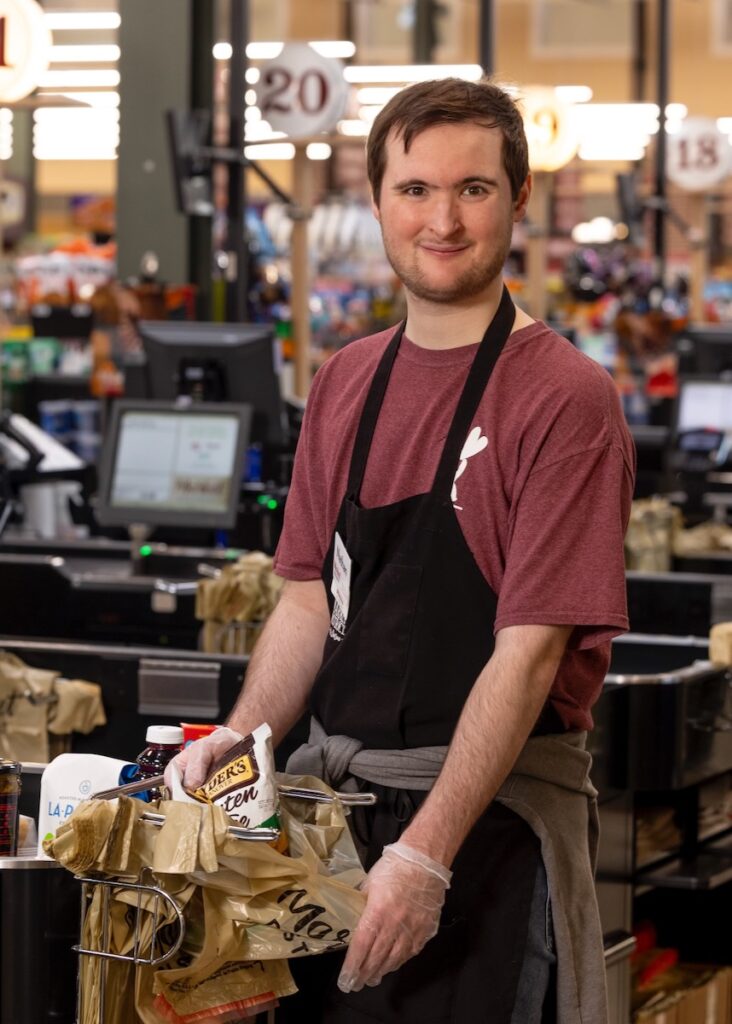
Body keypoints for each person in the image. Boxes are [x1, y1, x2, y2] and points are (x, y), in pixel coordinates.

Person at [169, 77, 635, 1023]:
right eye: (415, 189)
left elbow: (530, 649)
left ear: (518, 199)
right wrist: (242, 736)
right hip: (329, 837)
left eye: (473, 189)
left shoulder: (563, 397)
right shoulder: (347, 379)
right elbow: (307, 601)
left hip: (484, 838)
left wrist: (426, 855)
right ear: (379, 201)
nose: (443, 220)